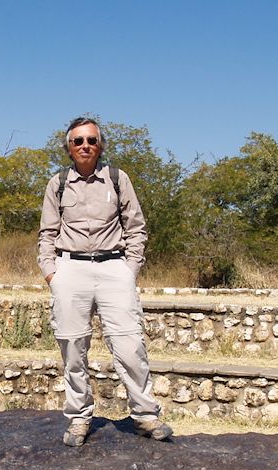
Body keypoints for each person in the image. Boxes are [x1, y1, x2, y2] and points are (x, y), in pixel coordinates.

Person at [38, 116, 173, 447]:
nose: (85, 146)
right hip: (70, 269)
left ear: (101, 145)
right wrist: (52, 274)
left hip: (114, 267)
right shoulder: (56, 184)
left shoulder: (117, 179)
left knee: (129, 345)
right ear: (68, 148)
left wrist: (130, 269)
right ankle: (79, 418)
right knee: (72, 348)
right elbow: (47, 234)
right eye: (78, 141)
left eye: (91, 140)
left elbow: (136, 227)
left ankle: (145, 415)